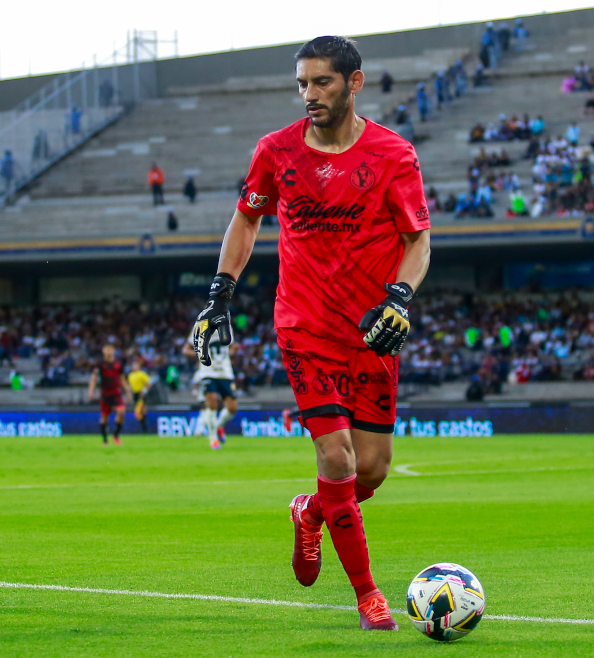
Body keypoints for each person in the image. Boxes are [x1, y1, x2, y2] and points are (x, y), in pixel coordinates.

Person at [190, 36, 430, 631]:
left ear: (355, 83)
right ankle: (368, 595)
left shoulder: (394, 154)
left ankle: (312, 512)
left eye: (321, 82)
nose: (309, 95)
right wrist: (220, 293)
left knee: (371, 469)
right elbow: (246, 218)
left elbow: (417, 239)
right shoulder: (275, 152)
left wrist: (399, 299)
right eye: (302, 84)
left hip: (372, 333)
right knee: (338, 455)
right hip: (304, 328)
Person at [187, 342, 238, 449]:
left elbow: (232, 346)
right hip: (208, 372)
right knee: (211, 405)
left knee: (232, 408)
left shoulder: (226, 328)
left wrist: (231, 351)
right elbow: (186, 349)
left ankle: (217, 427)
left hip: (225, 373)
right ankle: (213, 440)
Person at [87, 344, 130, 445]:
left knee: (121, 411)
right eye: (107, 350)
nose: (109, 352)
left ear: (114, 351)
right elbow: (94, 378)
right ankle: (105, 440)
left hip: (117, 393)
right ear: (103, 351)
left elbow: (122, 378)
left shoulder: (118, 363)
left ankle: (116, 435)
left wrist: (127, 390)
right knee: (105, 417)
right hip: (105, 394)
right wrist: (91, 391)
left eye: (110, 350)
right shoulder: (100, 364)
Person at [126, 359, 152, 432]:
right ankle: (142, 426)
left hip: (141, 394)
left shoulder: (142, 374)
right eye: (133, 366)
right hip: (135, 394)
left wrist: (144, 391)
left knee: (141, 410)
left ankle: (145, 427)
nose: (134, 367)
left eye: (136, 365)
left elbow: (148, 385)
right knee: (137, 411)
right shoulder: (130, 375)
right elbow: (130, 385)